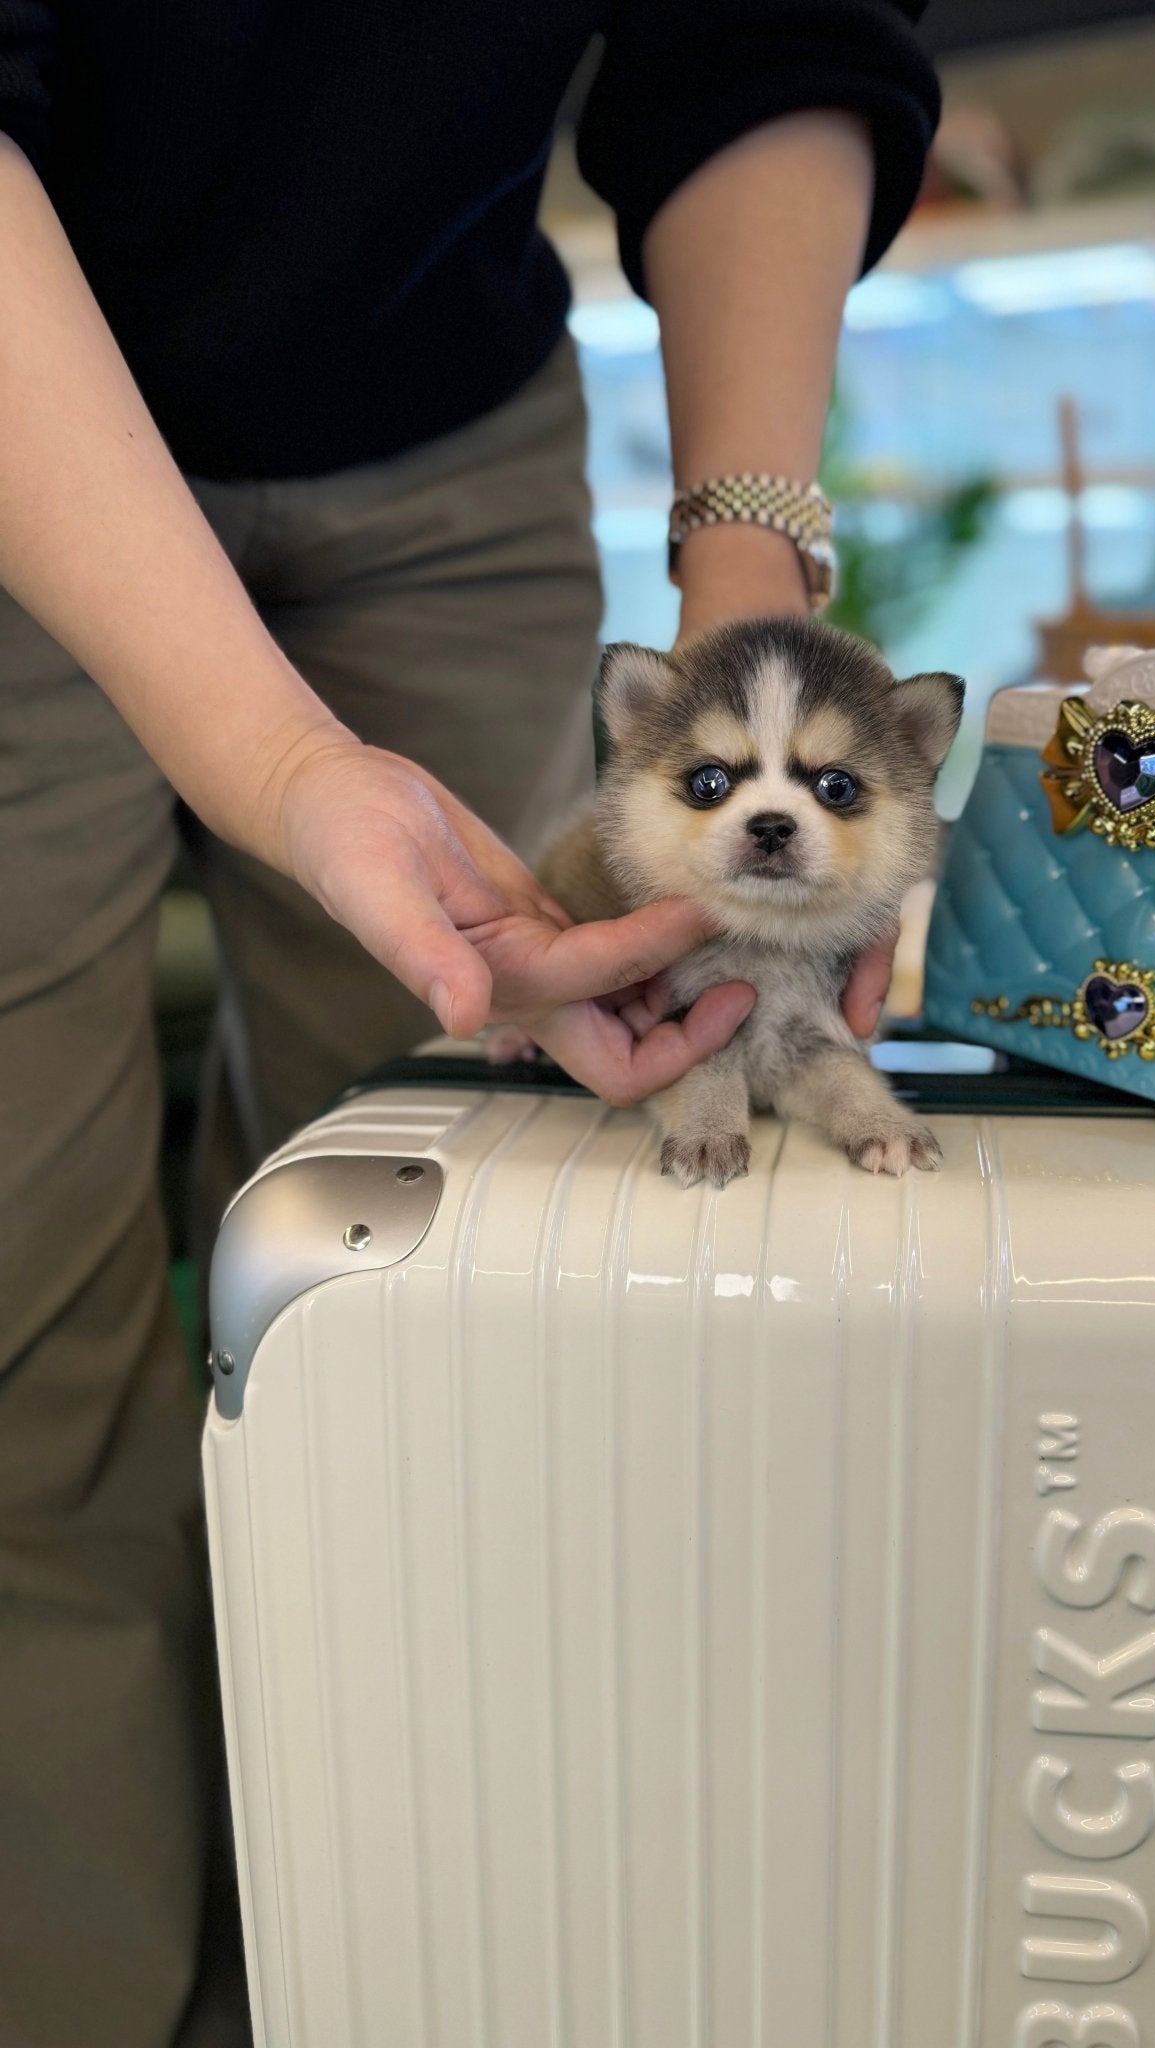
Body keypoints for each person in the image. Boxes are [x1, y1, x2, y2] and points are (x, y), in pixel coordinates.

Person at [0, 6, 940, 2043]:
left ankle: (421, 1954)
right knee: (22, 1336)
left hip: (451, 414)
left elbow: (773, 28)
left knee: (458, 1285)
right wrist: (273, 758)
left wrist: (742, 625)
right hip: (25, 386)